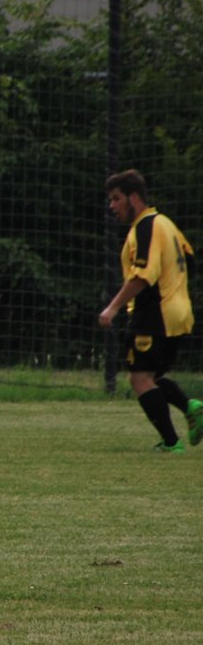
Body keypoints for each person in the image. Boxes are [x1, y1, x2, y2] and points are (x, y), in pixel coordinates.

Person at [98, 169, 200, 454]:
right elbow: (190, 260)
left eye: (116, 198)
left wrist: (113, 307)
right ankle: (191, 407)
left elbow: (143, 275)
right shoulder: (167, 224)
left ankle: (171, 442)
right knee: (151, 377)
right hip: (179, 313)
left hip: (155, 313)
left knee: (140, 379)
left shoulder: (145, 227)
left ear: (134, 197)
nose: (112, 206)